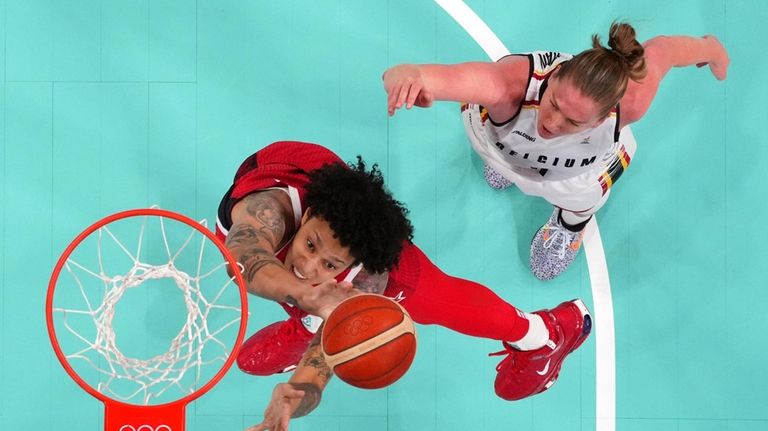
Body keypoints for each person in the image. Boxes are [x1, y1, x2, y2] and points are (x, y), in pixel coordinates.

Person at [216, 141, 592, 430]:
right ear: (309, 214)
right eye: (310, 244)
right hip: (288, 168)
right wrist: (304, 294)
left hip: (376, 268)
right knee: (297, 284)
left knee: (437, 299)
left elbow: (322, 366)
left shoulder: (370, 278)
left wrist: (292, 400)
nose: (308, 264)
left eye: (330, 264)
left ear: (352, 265)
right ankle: (309, 316)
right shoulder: (269, 210)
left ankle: (545, 333)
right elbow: (246, 254)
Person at [382, 22, 729, 280]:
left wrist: (712, 49)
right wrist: (407, 78)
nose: (552, 122)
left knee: (582, 200)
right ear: (556, 77)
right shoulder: (509, 86)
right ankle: (508, 165)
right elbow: (423, 74)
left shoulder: (631, 103)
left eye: (572, 121)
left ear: (601, 117)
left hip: (573, 171)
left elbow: (663, 49)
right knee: (502, 154)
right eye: (554, 103)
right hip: (500, 141)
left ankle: (567, 226)